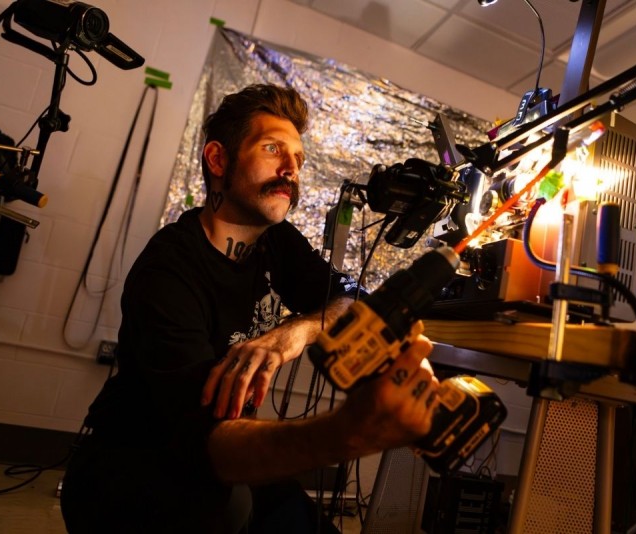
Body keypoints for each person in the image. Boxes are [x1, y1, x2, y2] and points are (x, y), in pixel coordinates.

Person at [60, 84, 440, 533]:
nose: (291, 171)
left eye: (298, 159)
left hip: (219, 452)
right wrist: (349, 434)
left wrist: (291, 334)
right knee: (226, 511)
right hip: (132, 464)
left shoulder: (276, 243)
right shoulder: (169, 268)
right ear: (218, 160)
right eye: (273, 149)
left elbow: (349, 298)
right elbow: (207, 443)